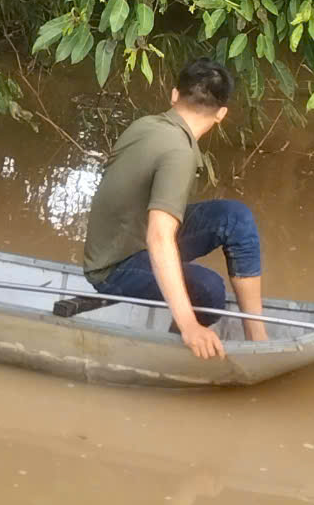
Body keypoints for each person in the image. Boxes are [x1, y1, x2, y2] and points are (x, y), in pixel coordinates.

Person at [78, 57, 266, 358]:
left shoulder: (147, 124)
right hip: (114, 266)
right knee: (209, 291)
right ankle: (179, 343)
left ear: (174, 95)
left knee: (235, 218)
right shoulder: (179, 152)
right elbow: (159, 236)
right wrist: (190, 324)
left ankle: (258, 337)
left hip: (129, 236)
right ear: (221, 114)